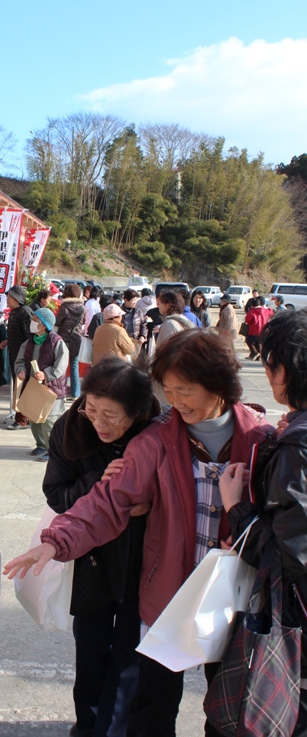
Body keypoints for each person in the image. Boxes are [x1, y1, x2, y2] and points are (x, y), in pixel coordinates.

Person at [4, 329, 274, 737]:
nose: (176, 401)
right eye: (169, 391)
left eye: (186, 390)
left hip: (235, 599)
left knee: (230, 707)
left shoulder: (260, 440)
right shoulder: (156, 441)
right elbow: (108, 501)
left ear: (218, 384)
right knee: (153, 707)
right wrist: (55, 542)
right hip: (167, 593)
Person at [43, 359, 159, 737]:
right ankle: (88, 724)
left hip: (143, 558)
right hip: (92, 559)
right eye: (92, 409)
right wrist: (97, 484)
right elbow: (56, 494)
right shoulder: (70, 428)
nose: (99, 423)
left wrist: (149, 501)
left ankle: (111, 729)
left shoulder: (157, 433)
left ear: (137, 413)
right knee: (90, 648)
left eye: (111, 416)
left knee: (129, 653)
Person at [219, 309, 307, 735]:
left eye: (270, 364)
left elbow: (292, 555)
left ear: (285, 370)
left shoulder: (298, 448)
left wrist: (234, 508)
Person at [15, 307, 69, 461]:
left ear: (44, 325)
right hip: (33, 386)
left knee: (49, 420)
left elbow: (61, 365)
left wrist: (46, 374)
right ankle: (41, 444)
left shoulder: (56, 341)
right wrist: (20, 370)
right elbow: (20, 360)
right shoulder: (29, 342)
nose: (32, 323)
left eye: (35, 320)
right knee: (34, 417)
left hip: (52, 388)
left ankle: (53, 451)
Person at [0, 286, 33, 430]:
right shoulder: (15, 312)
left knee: (22, 388)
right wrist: (8, 341)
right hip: (15, 357)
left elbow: (29, 336)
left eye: (9, 297)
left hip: (23, 359)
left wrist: (25, 357)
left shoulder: (25, 312)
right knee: (19, 388)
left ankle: (22, 420)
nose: (7, 299)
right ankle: (25, 417)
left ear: (16, 298)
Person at [55, 284, 85, 400]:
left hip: (63, 339)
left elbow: (57, 322)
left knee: (61, 366)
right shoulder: (82, 308)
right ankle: (75, 394)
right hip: (77, 339)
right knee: (74, 365)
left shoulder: (64, 307)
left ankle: (61, 392)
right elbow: (83, 322)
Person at [244, 294, 273, 360]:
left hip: (253, 330)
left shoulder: (252, 311)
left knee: (249, 341)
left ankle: (254, 352)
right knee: (258, 343)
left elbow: (248, 320)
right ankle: (260, 355)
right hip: (263, 330)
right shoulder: (265, 310)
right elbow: (271, 313)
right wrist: (267, 307)